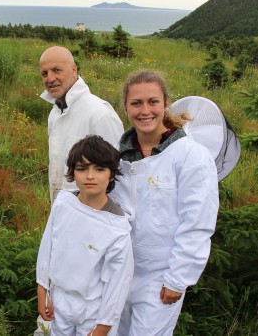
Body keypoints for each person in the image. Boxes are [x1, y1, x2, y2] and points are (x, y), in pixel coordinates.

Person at [111, 70, 219, 335]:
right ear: (125, 108)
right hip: (119, 272)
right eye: (136, 103)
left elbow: (197, 223)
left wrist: (177, 278)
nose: (145, 110)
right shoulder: (117, 156)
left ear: (165, 104)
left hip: (161, 276)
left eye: (153, 102)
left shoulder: (190, 155)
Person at [36, 135, 134, 336]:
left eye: (99, 169)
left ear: (111, 175)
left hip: (94, 309)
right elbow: (48, 247)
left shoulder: (116, 226)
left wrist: (104, 325)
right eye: (82, 168)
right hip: (60, 298)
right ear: (73, 172)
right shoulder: (63, 203)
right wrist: (42, 289)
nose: (90, 176)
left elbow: (118, 281)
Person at [39, 46, 124, 202]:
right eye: (44, 73)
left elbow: (117, 174)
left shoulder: (99, 113)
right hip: (63, 209)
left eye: (56, 70)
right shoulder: (55, 113)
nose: (50, 78)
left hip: (93, 214)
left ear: (74, 70)